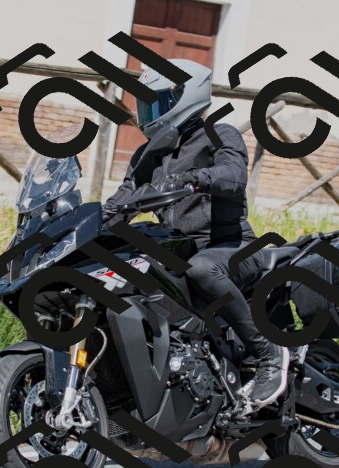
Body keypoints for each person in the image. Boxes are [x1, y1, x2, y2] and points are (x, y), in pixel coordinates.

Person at [102, 58, 292, 407]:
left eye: (159, 102)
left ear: (186, 95)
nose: (150, 112)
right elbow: (122, 200)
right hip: (180, 252)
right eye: (146, 104)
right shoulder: (146, 155)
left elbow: (233, 176)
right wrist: (89, 221)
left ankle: (269, 355)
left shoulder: (219, 134)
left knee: (202, 269)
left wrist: (195, 179)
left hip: (231, 246)